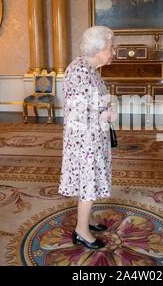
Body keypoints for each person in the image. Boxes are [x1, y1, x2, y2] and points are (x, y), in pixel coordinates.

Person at [58, 26, 116, 250]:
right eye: (111, 48)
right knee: (88, 182)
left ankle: (86, 220)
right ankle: (81, 232)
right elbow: (78, 109)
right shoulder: (79, 70)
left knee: (91, 181)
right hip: (84, 140)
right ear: (99, 48)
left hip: (92, 138)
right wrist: (105, 113)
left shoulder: (90, 69)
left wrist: (105, 109)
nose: (113, 52)